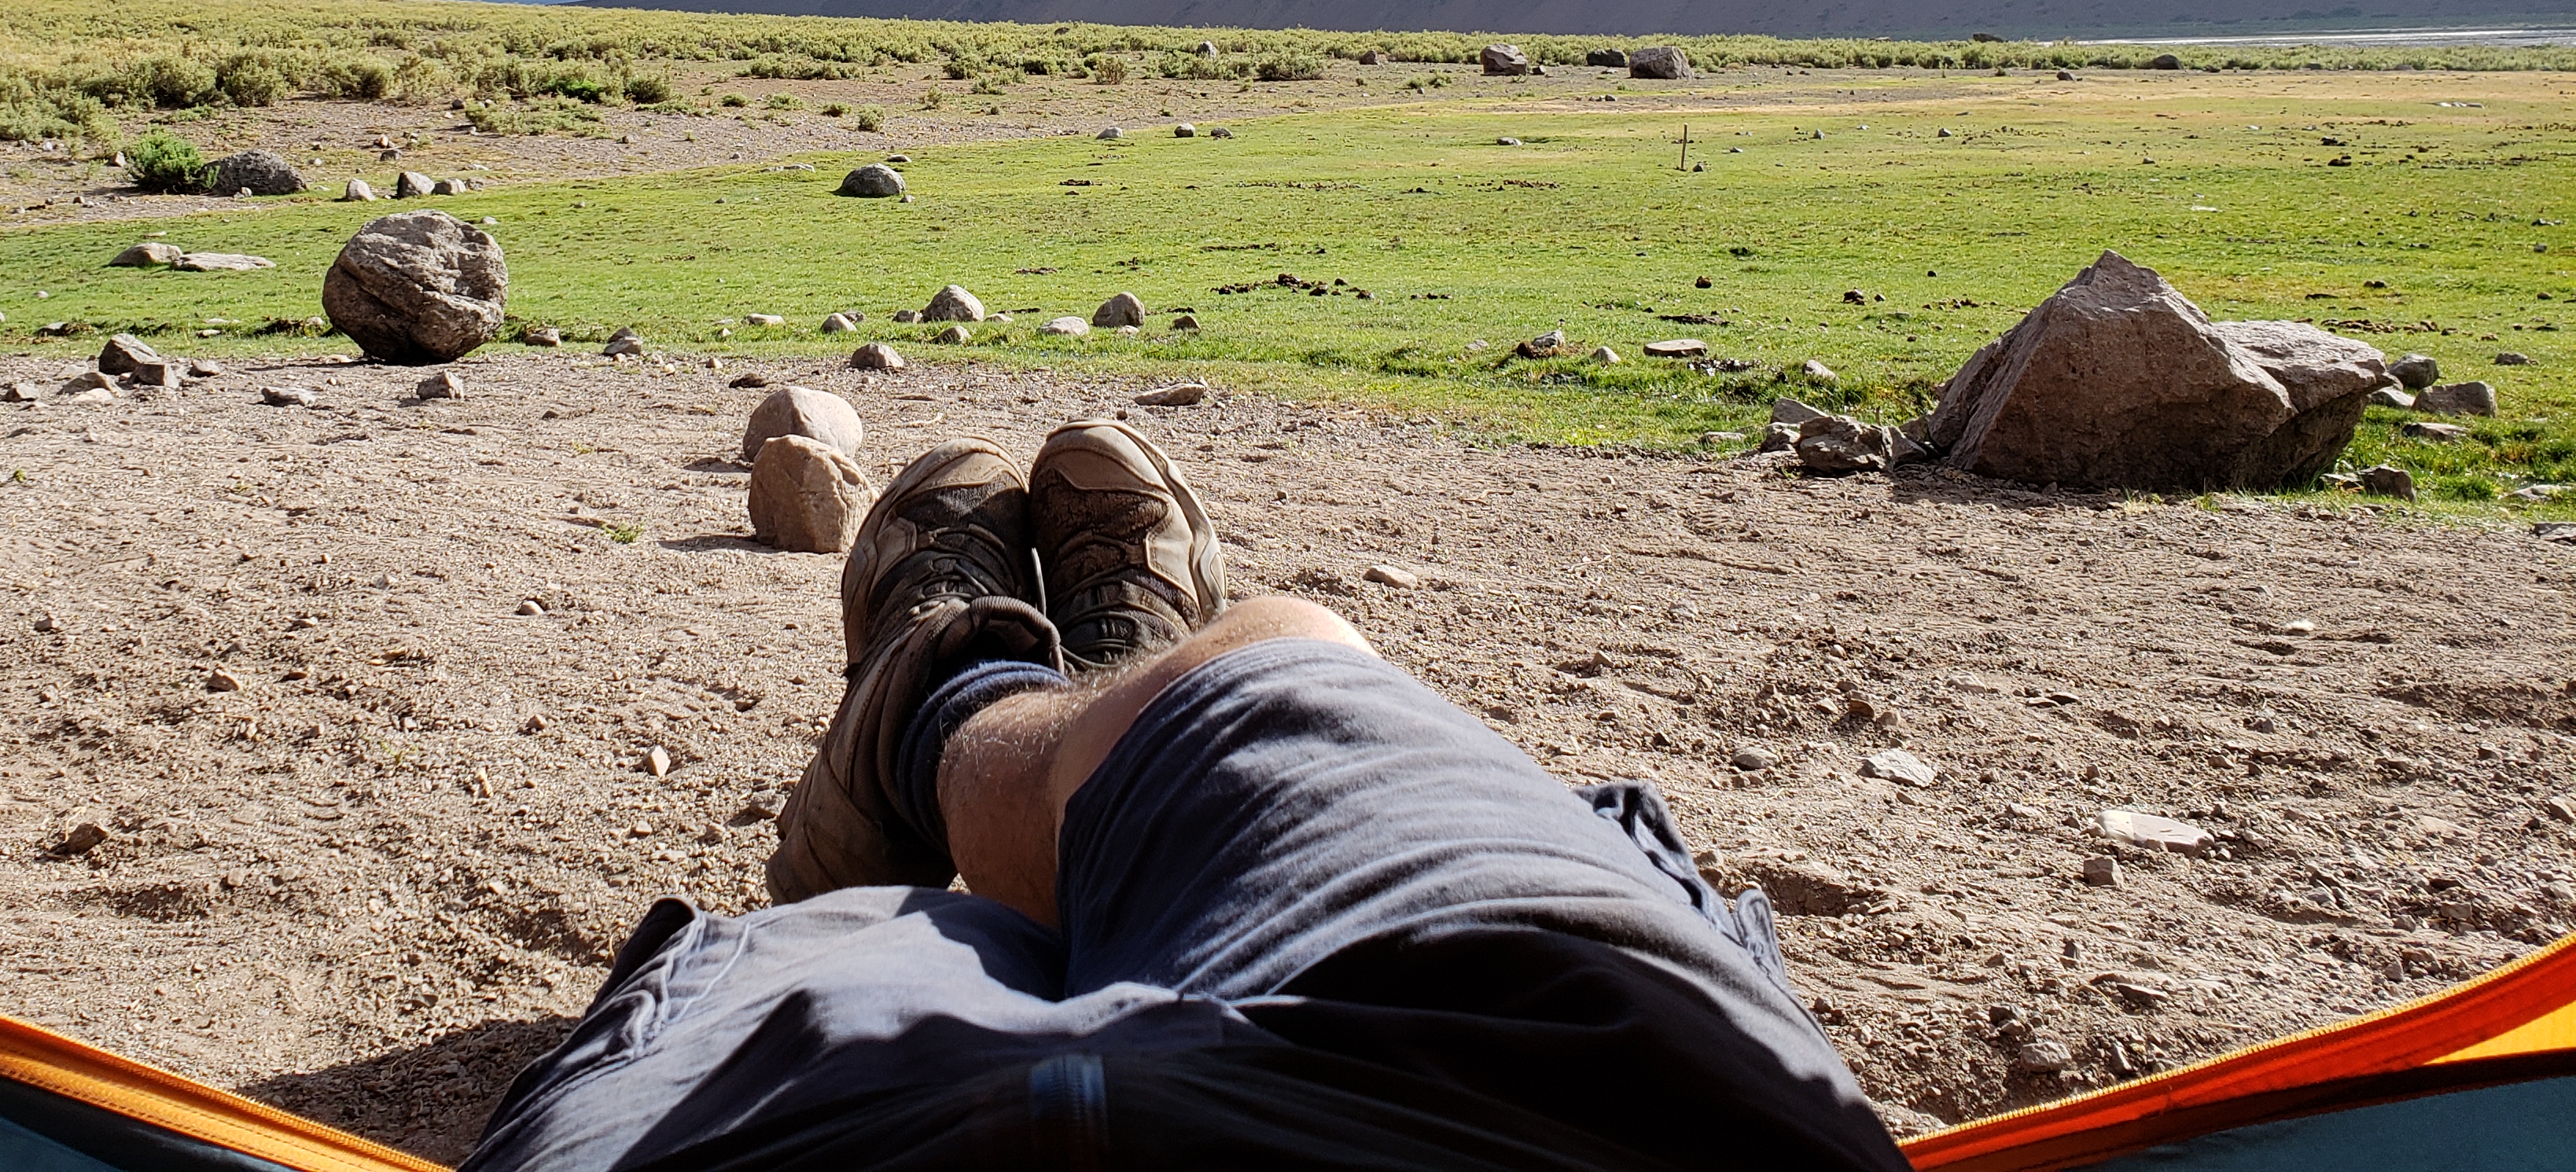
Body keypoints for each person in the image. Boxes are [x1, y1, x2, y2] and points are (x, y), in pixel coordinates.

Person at [466, 424, 1906, 1171]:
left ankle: (930, 701)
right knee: (1276, 671)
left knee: (880, 949)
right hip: (1600, 1123)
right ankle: (1099, 679)